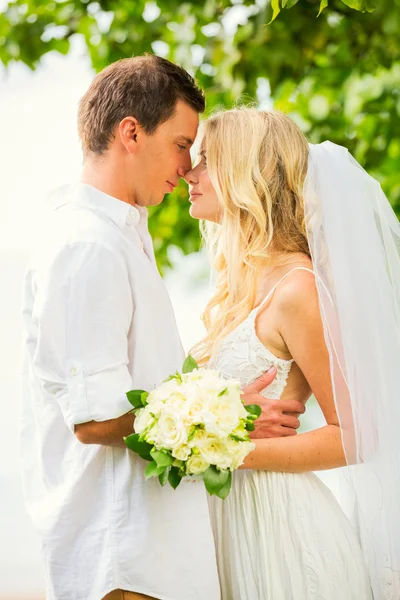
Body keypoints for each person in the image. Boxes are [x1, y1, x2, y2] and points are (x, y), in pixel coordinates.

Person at [19, 57, 305, 600]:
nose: (187, 164)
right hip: (124, 555)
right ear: (130, 132)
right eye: (181, 143)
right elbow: (95, 418)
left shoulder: (121, 237)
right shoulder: (87, 245)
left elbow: (140, 382)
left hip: (154, 550)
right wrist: (225, 425)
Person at [185, 107, 400, 599]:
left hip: (281, 533)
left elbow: (355, 436)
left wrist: (230, 452)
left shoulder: (296, 288)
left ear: (245, 174)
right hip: (230, 521)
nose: (189, 176)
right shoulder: (241, 284)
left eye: (206, 162)